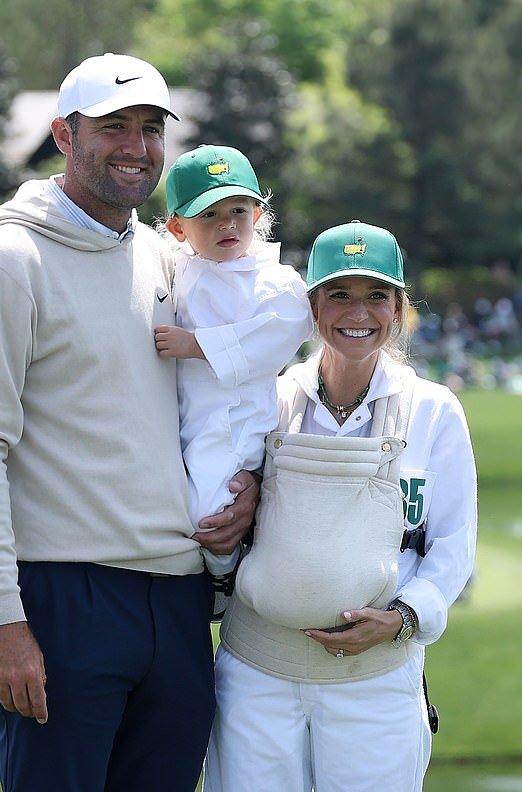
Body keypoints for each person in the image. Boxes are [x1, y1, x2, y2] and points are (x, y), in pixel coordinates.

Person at [0, 53, 259, 792]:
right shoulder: (7, 262)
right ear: (62, 134)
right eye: (113, 126)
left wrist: (245, 486)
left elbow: (211, 401)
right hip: (62, 602)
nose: (137, 147)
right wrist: (2, 621)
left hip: (178, 603)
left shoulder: (164, 256)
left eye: (151, 129)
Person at [204, 220, 477, 792]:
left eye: (377, 295)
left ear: (399, 306)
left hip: (375, 679)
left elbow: (453, 546)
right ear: (312, 305)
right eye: (340, 295)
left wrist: (404, 618)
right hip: (258, 673)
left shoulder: (434, 410)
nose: (359, 312)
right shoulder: (269, 398)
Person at [154, 145, 312, 613]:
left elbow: (281, 332)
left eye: (238, 211)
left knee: (211, 505)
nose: (227, 224)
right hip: (186, 414)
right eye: (209, 215)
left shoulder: (273, 280)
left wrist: (196, 345)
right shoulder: (177, 266)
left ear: (258, 212)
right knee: (181, 500)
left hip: (234, 421)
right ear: (178, 228)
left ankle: (223, 583)